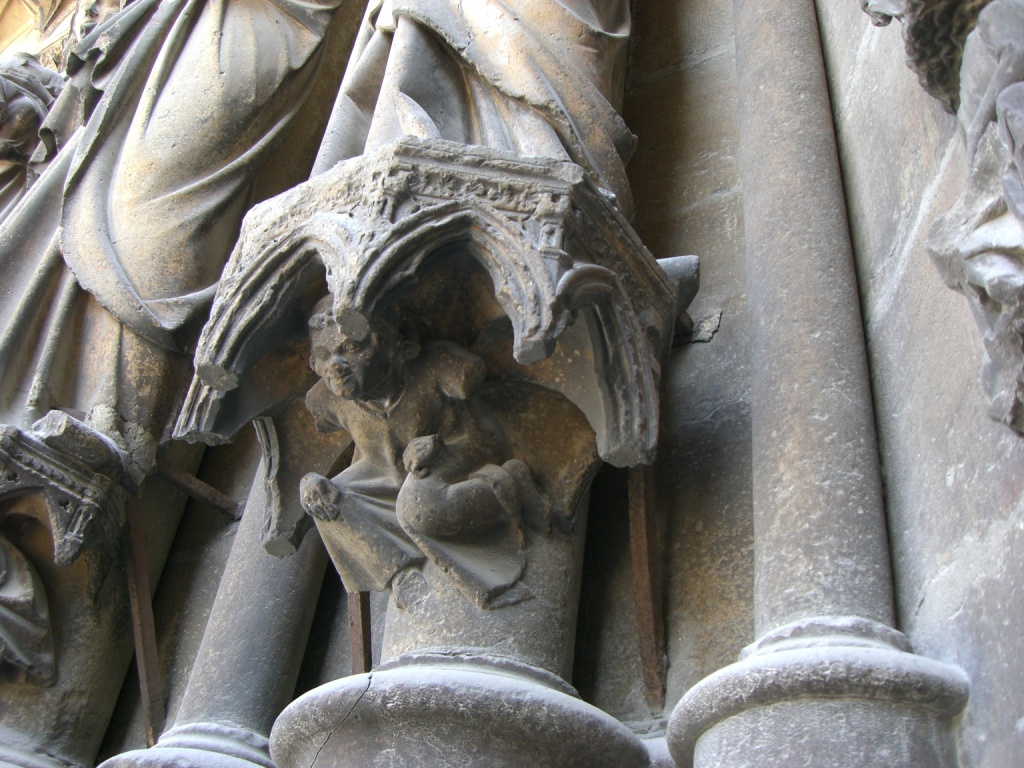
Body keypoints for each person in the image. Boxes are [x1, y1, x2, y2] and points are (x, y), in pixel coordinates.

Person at [299, 301, 549, 609]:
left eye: (350, 348)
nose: (335, 366)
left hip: (457, 463)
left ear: (393, 345)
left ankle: (510, 488)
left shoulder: (439, 367)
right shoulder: (328, 402)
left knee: (417, 507)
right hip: (389, 481)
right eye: (324, 356)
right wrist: (311, 483)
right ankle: (400, 572)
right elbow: (373, 463)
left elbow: (489, 439)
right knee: (326, 500)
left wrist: (440, 449)